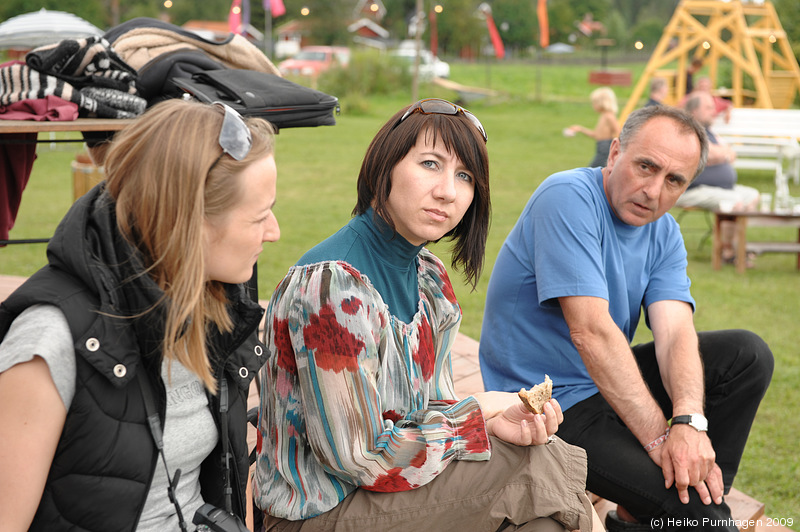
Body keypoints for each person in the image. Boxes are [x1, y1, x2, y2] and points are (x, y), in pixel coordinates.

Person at [253, 99, 596, 532]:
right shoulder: (332, 287)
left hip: (394, 494)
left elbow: (431, 406)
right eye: (430, 164)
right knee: (539, 469)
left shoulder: (428, 278)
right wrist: (478, 412)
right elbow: (361, 458)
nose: (448, 191)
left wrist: (493, 424)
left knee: (544, 517)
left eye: (464, 176)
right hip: (320, 511)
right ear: (386, 166)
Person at [479, 104, 773, 532]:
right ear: (615, 153)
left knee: (746, 355)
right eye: (646, 167)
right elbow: (591, 333)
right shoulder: (567, 196)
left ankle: (667, 503)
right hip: (547, 405)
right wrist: (659, 440)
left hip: (607, 385)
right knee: (706, 521)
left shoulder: (664, 231)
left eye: (674, 180)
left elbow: (675, 331)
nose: (654, 191)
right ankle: (687, 508)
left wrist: (689, 423)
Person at [0, 99, 280, 531]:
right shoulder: (50, 340)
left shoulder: (206, 309)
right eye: (259, 217)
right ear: (190, 224)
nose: (275, 232)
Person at [678, 91, 760, 266]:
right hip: (694, 189)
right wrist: (722, 153)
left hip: (721, 188)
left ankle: (734, 246)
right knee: (735, 202)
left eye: (713, 107)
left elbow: (730, 153)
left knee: (752, 195)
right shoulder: (689, 131)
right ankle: (729, 252)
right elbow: (710, 153)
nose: (713, 111)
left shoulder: (711, 133)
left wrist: (721, 154)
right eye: (708, 108)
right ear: (694, 112)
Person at [567, 87, 621, 168]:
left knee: (592, 169)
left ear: (602, 102)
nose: (593, 105)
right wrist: (580, 129)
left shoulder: (609, 116)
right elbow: (596, 134)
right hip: (600, 146)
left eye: (594, 102)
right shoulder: (603, 116)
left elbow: (618, 131)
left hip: (605, 147)